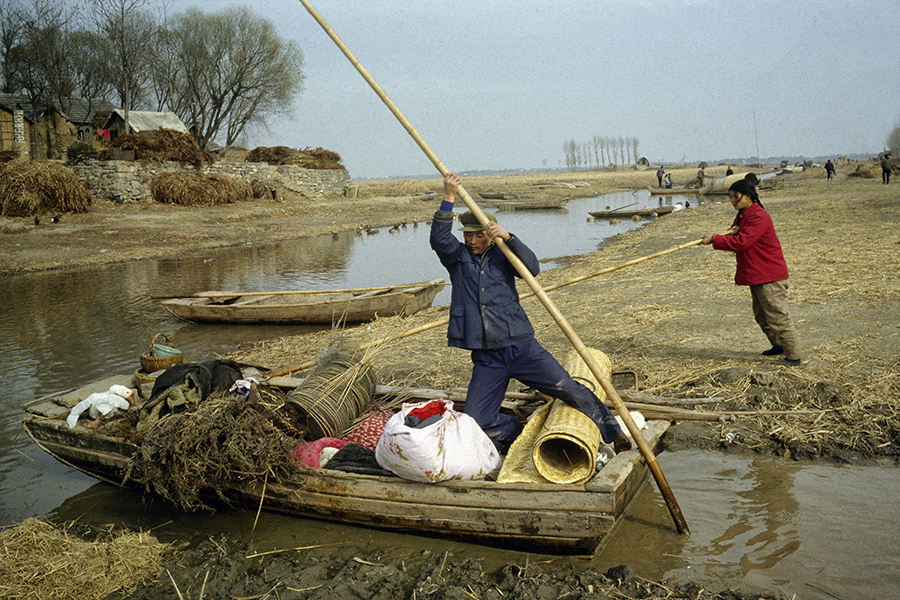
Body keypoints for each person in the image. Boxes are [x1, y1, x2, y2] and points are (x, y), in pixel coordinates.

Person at [430, 172, 630, 454]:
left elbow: (532, 269)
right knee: (476, 420)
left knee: (567, 388)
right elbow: (439, 239)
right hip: (488, 357)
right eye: (468, 235)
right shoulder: (457, 257)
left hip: (521, 347)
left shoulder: (503, 253)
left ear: (489, 234)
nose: (473, 241)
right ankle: (518, 431)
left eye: (479, 235)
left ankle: (612, 431)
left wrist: (509, 238)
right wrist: (448, 196)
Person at [700, 176, 802, 366]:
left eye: (736, 197)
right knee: (761, 315)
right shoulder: (744, 214)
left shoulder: (758, 216)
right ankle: (779, 345)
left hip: (769, 275)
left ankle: (793, 356)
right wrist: (720, 235)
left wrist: (715, 239)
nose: (732, 201)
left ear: (749, 196)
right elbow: (735, 232)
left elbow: (742, 242)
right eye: (730, 197)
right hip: (757, 274)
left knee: (778, 316)